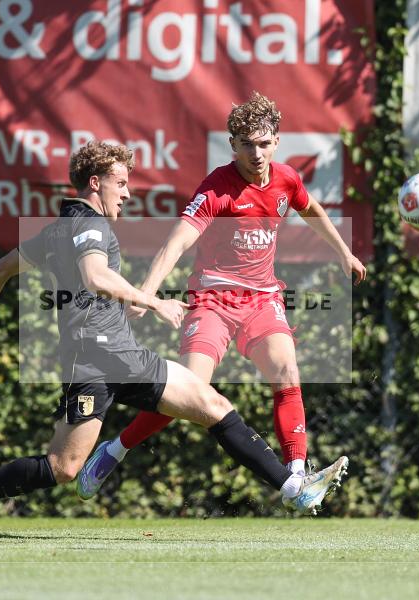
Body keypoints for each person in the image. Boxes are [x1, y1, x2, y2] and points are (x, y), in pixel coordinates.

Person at [0, 140, 348, 543]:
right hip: (93, 360)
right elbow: (96, 276)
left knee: (214, 405)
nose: (127, 194)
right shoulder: (88, 225)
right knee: (63, 467)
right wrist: (152, 300)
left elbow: (1, 268)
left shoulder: (58, 229)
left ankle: (293, 487)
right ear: (95, 183)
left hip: (123, 356)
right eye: (121, 183)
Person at [77, 92, 366, 501]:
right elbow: (175, 243)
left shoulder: (286, 179)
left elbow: (311, 209)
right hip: (214, 299)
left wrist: (344, 252)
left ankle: (298, 476)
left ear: (276, 142)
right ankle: (113, 450)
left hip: (263, 299)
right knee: (191, 393)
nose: (256, 153)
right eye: (246, 144)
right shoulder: (217, 188)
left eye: (264, 143)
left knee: (286, 370)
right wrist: (146, 294)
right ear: (233, 145)